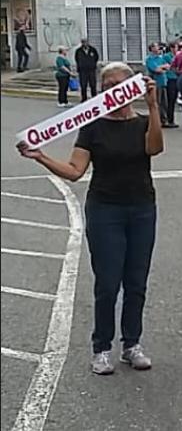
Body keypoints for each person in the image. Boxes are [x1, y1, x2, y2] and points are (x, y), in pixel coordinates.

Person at [17, 63, 163, 375]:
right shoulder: (93, 126)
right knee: (108, 283)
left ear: (132, 86)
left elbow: (155, 147)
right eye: (107, 84)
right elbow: (74, 171)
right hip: (105, 210)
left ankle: (131, 344)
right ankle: (101, 347)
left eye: (119, 83)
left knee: (136, 283)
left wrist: (152, 106)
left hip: (141, 208)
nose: (113, 88)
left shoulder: (142, 122)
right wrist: (41, 155)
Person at [145, 43, 170, 127]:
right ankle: (156, 120)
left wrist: (162, 67)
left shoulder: (161, 58)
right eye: (156, 46)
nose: (158, 48)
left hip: (163, 82)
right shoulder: (150, 59)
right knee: (157, 102)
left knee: (164, 103)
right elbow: (156, 69)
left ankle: (164, 120)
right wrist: (162, 68)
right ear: (151, 48)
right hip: (156, 83)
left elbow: (168, 66)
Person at [75, 38, 100, 102]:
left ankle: (94, 98)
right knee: (83, 85)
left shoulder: (93, 50)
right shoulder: (78, 51)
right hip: (82, 71)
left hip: (91, 70)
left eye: (86, 42)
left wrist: (92, 64)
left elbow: (96, 57)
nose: (85, 43)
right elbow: (76, 59)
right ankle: (84, 98)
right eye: (83, 42)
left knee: (93, 84)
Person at [163, 42, 179, 129]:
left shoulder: (177, 56)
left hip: (176, 78)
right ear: (172, 48)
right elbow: (172, 66)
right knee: (170, 100)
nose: (177, 50)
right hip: (170, 79)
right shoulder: (167, 56)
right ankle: (169, 119)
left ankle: (171, 119)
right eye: (176, 48)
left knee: (174, 100)